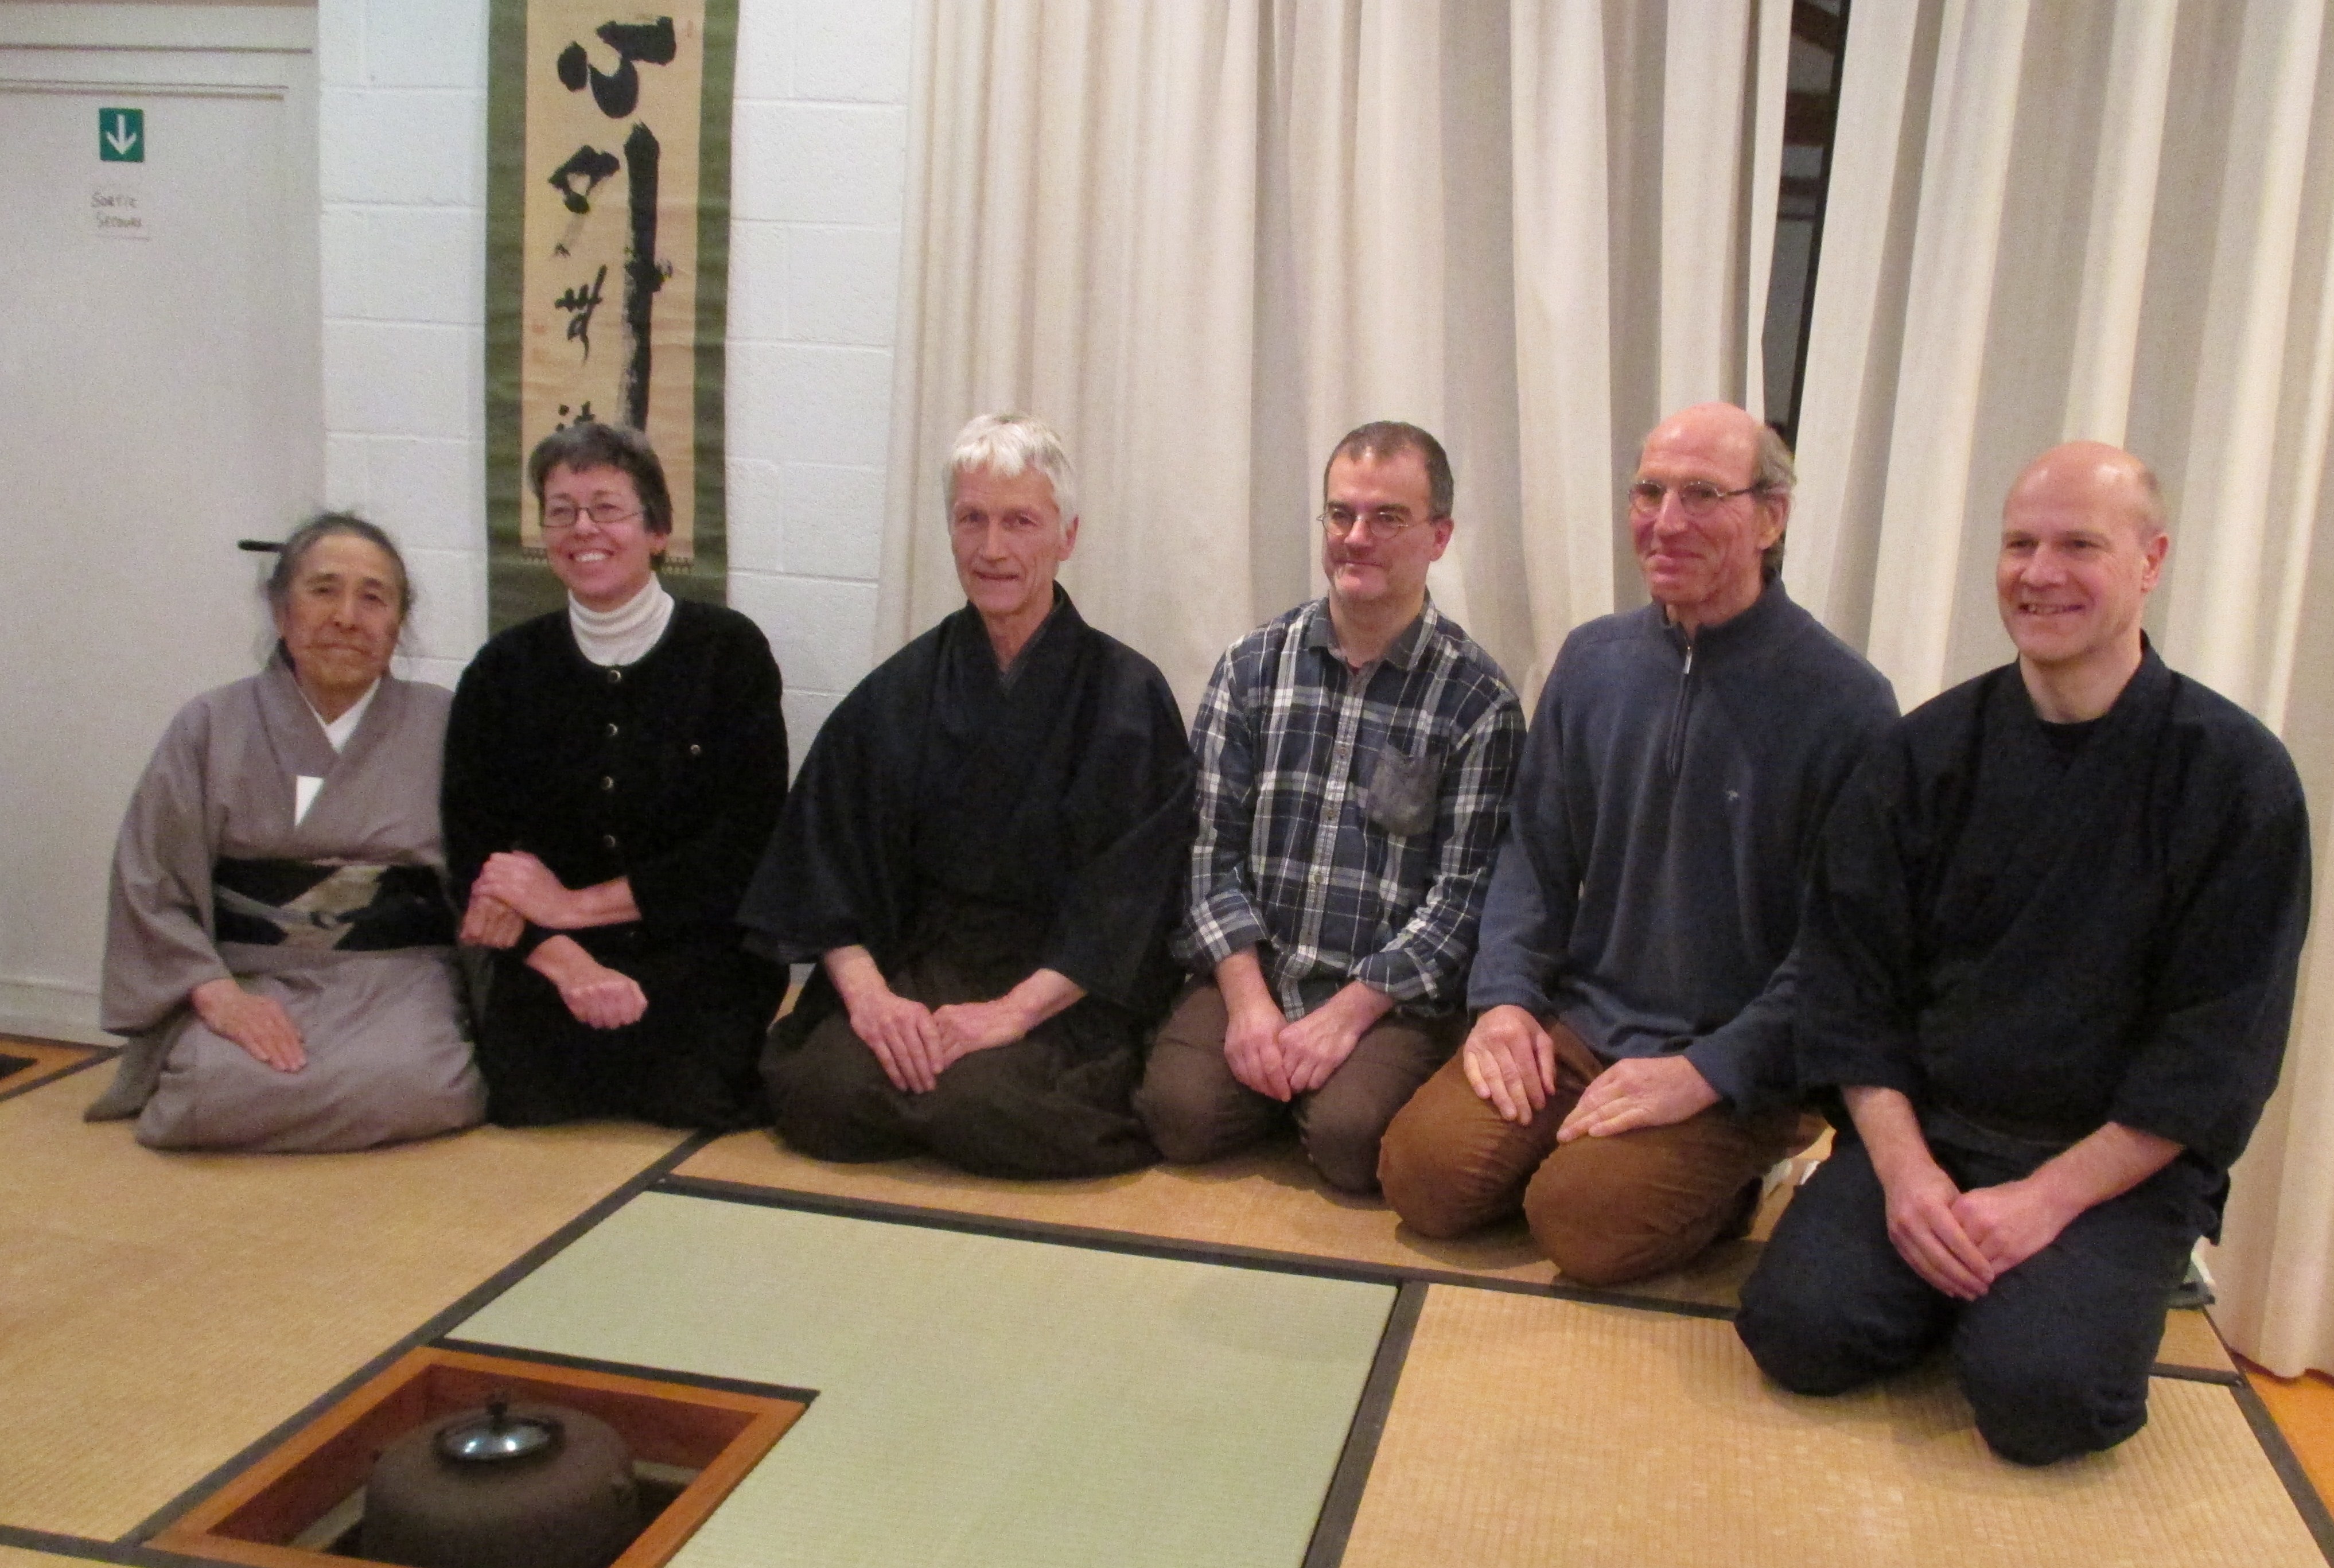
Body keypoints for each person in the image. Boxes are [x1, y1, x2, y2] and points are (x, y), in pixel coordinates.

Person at [1736, 442, 2310, 1465]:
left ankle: (2050, 1292)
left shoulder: (2234, 781)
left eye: (2078, 545)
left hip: (2108, 1165)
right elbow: (1850, 989)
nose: (2038, 574)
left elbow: (2216, 1048)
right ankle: (1957, 1281)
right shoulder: (1922, 756)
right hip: (1931, 1135)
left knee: (2044, 1402)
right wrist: (1908, 1180)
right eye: (2018, 544)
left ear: (2150, 560)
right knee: (1797, 1336)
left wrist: (2041, 1206)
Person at [1378, 403, 1896, 1281]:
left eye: (1701, 495)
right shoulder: (1591, 662)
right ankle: (1591, 1149)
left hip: (1733, 1060)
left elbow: (1841, 950)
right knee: (1422, 1178)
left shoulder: (1846, 703)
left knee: (1579, 1223)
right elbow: (1532, 856)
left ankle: (1755, 1167)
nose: (1664, 522)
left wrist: (1708, 1071)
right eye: (1648, 492)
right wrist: (1505, 999)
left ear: (1772, 517)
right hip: (1583, 1020)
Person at [741, 414, 1194, 1178]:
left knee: (984, 1102)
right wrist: (874, 1003)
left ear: (1066, 536)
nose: (992, 549)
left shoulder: (1124, 697)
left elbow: (1130, 902)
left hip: (1056, 983)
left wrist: (1009, 1014)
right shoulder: (900, 691)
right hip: (920, 962)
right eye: (971, 520)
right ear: (949, 532)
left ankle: (966, 1086)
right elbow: (822, 861)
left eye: (1019, 522)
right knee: (824, 1090)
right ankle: (917, 1068)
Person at [1134, 422, 1525, 1194]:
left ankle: (1314, 1091)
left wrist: (1344, 1018)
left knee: (1351, 1145)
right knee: (1178, 1117)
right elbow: (1208, 850)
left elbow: (1460, 902)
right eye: (1340, 514)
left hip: (1386, 997)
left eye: (1387, 518)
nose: (1356, 537)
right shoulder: (1252, 668)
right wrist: (1248, 1006)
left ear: (1438, 536)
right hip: (1258, 965)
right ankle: (1277, 1077)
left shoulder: (1479, 702)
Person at [86, 513, 484, 1150]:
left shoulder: (447, 723)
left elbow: (489, 873)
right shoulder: (210, 725)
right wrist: (216, 995)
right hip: (247, 973)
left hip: (395, 976)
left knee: (421, 1083)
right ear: (280, 611)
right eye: (323, 591)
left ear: (399, 623)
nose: (347, 617)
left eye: (374, 597)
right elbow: (150, 880)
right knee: (207, 1097)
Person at [443, 422, 787, 1129]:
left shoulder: (730, 654)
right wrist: (566, 957)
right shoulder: (502, 671)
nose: (583, 529)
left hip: (696, 951)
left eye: (607, 507)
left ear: (658, 530)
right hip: (550, 959)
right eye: (561, 511)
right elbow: (477, 855)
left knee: (694, 1100)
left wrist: (569, 904)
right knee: (527, 1104)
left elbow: (743, 850)